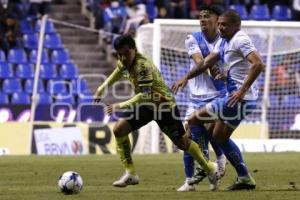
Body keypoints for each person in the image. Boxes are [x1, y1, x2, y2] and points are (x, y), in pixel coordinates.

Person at [93, 34, 220, 189]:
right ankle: (131, 173)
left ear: (134, 49)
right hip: (147, 106)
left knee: (183, 143)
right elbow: (117, 73)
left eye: (126, 53)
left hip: (163, 106)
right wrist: (101, 89)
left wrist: (120, 105)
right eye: (119, 54)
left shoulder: (143, 66)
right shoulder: (124, 62)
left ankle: (210, 169)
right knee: (119, 129)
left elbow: (145, 94)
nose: (123, 58)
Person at [175, 9, 264, 190]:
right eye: (220, 24)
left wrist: (242, 90)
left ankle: (205, 166)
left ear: (236, 26)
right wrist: (186, 77)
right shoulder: (224, 41)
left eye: (225, 24)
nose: (221, 27)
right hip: (239, 100)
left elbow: (258, 63)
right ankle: (244, 177)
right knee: (218, 137)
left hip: (238, 99)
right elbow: (206, 63)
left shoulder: (240, 39)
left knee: (193, 120)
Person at [172, 5, 226, 192]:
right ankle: (190, 180)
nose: (202, 19)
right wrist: (191, 76)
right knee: (186, 139)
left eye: (207, 16)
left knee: (211, 133)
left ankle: (220, 160)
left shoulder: (225, 40)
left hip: (217, 94)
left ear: (218, 20)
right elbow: (199, 62)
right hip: (195, 98)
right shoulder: (192, 38)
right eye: (200, 16)